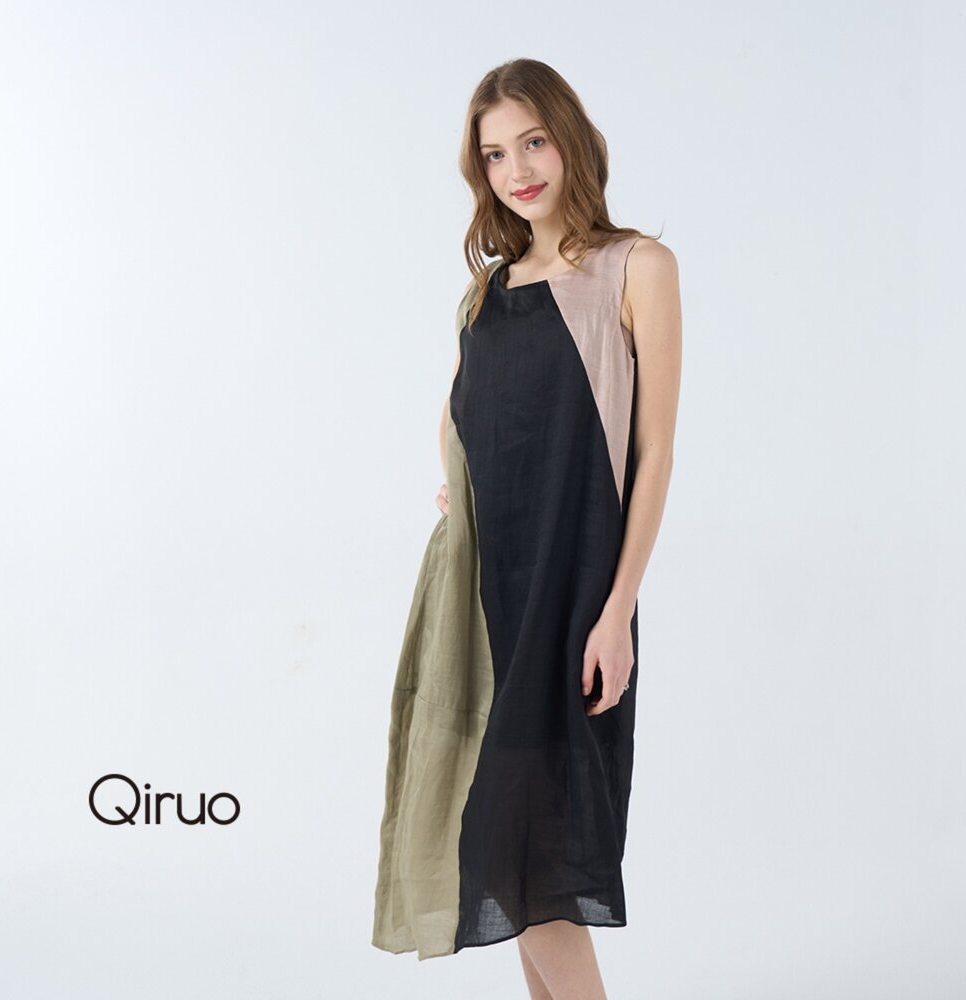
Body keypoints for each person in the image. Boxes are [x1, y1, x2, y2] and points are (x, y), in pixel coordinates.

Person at [372, 57, 682, 999]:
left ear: (570, 136)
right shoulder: (487, 290)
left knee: (541, 863)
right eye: (496, 155)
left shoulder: (636, 267)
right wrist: (458, 482)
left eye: (533, 141)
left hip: (573, 594)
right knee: (513, 859)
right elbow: (456, 412)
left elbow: (653, 452)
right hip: (482, 597)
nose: (518, 169)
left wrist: (617, 612)